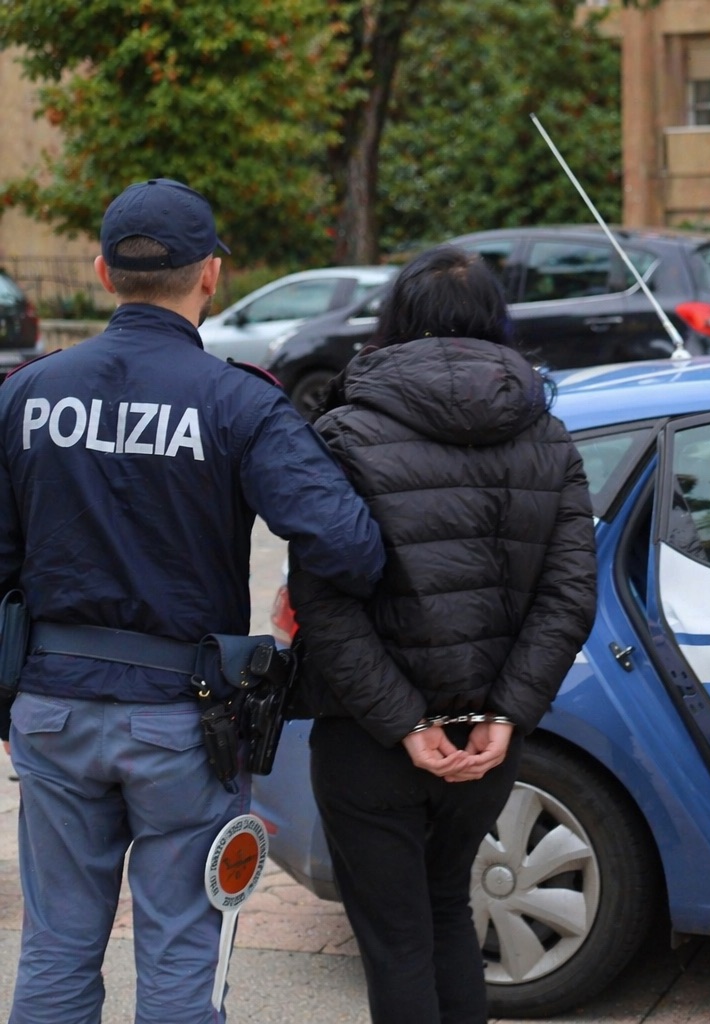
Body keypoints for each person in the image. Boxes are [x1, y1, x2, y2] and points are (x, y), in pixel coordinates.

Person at [0, 178, 385, 1023]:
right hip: (185, 722)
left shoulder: (26, 394)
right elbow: (349, 547)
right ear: (211, 275)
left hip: (52, 709)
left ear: (103, 273)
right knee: (182, 956)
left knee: (57, 949)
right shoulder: (236, 400)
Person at [288, 244, 597, 1024]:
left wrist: (403, 725)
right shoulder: (548, 436)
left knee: (396, 941)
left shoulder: (342, 432)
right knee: (448, 913)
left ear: (394, 322)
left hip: (368, 740)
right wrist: (507, 714)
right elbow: (568, 598)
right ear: (496, 322)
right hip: (487, 742)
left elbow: (322, 606)